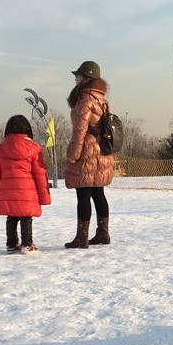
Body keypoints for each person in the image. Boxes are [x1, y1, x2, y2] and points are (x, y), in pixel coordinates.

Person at [64, 61, 114, 248]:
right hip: (102, 151)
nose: (75, 79)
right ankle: (103, 233)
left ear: (86, 78)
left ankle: (81, 237)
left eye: (78, 76)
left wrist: (73, 154)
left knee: (83, 194)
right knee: (98, 193)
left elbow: (80, 130)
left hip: (88, 152)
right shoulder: (102, 99)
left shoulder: (85, 99)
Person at [0, 115, 51, 254]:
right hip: (27, 191)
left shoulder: (0, 149)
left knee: (11, 217)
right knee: (26, 217)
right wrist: (45, 197)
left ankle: (11, 244)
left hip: (7, 191)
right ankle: (27, 244)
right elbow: (40, 174)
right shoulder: (34, 148)